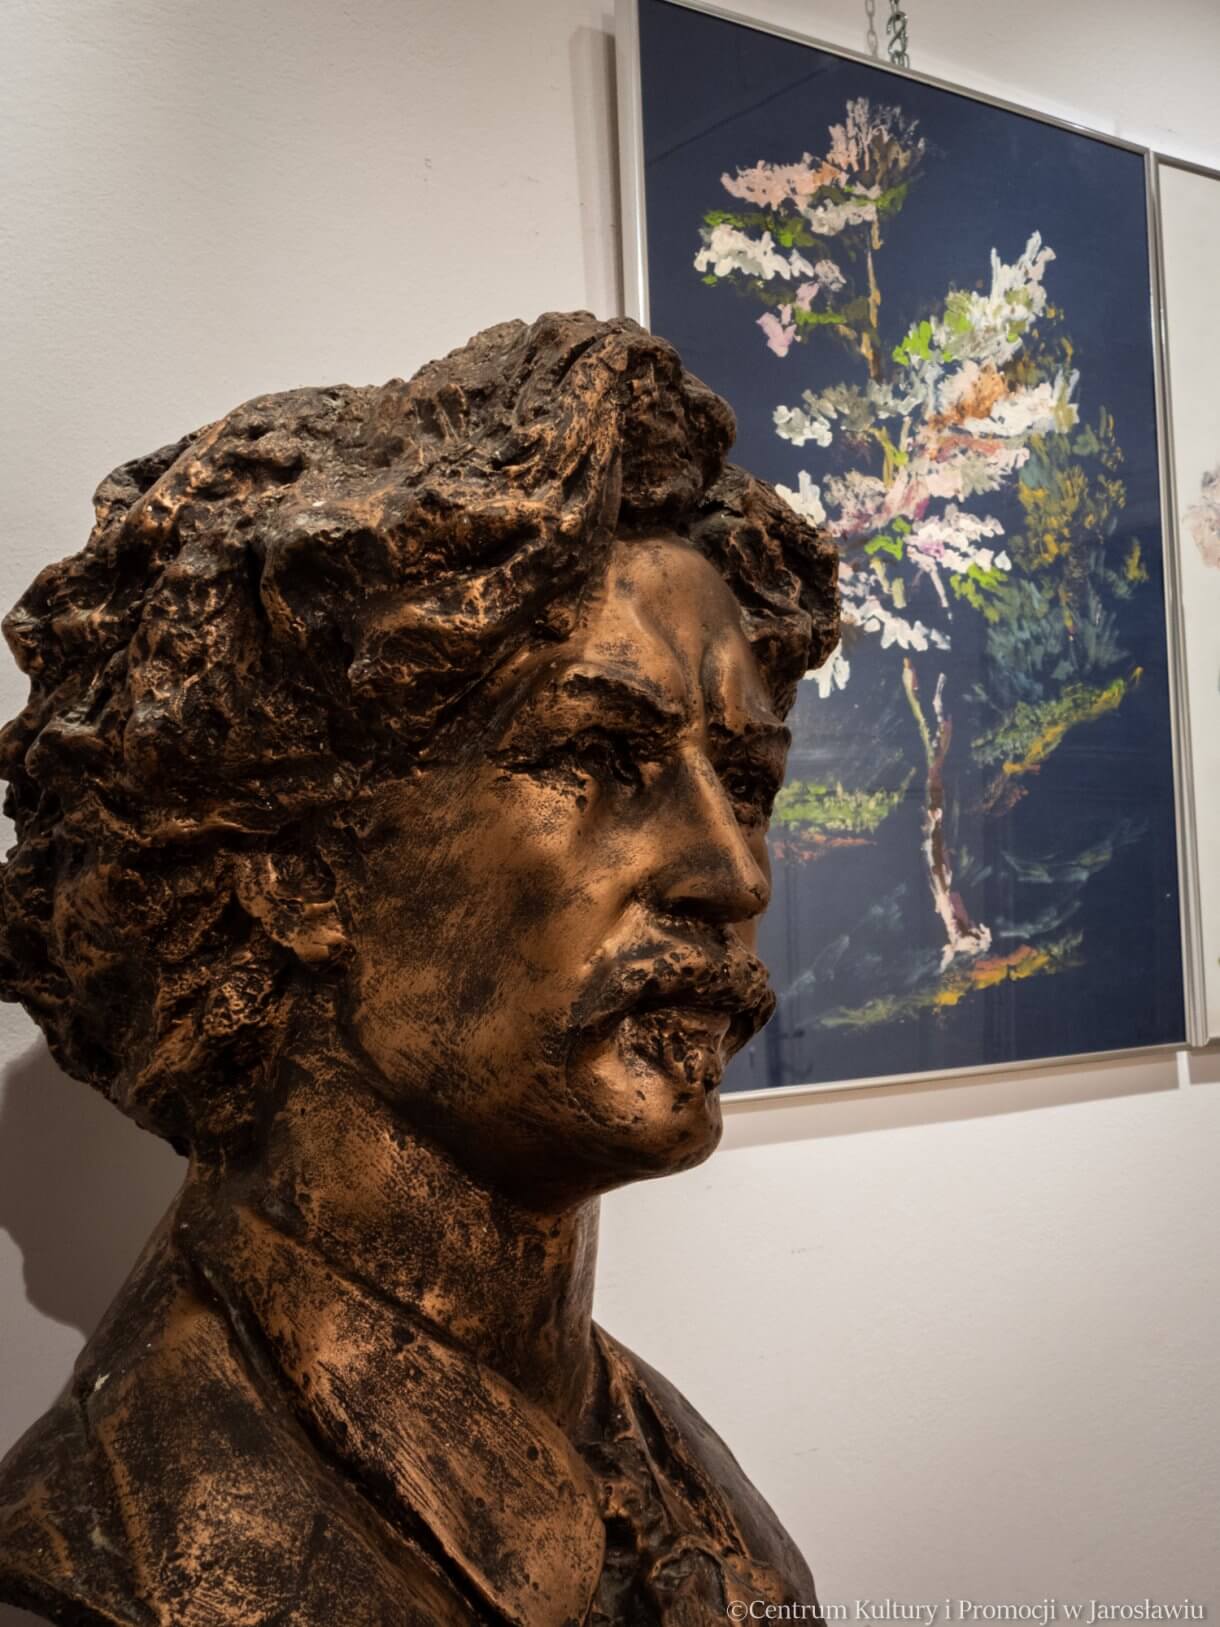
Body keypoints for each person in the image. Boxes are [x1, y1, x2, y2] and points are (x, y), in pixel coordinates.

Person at [0, 312, 837, 1625]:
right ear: (291, 860)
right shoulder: (146, 1544)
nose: (734, 876)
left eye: (746, 780)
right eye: (593, 757)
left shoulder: (680, 1483)